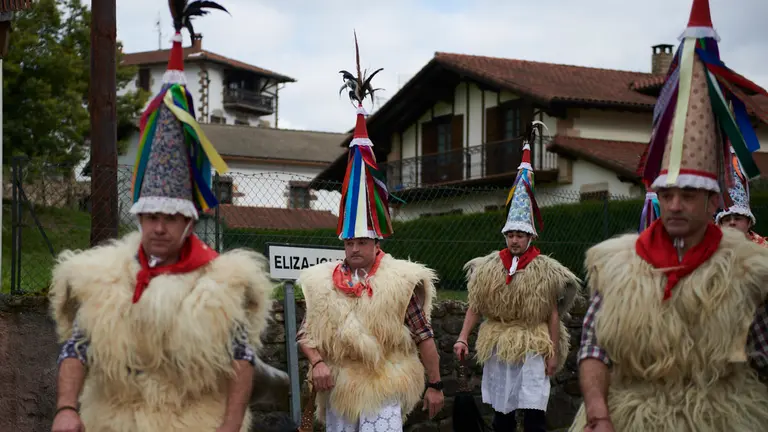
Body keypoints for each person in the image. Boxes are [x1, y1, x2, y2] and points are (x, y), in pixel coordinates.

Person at [48, 3, 286, 431]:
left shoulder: (219, 286)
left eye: (170, 217)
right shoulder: (103, 279)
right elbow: (75, 349)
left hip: (190, 420)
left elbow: (240, 361)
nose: (159, 226)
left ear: (189, 222)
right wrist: (67, 408)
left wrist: (230, 427)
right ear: (139, 217)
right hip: (115, 419)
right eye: (151, 215)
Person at [571, 1, 768, 430]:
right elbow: (594, 349)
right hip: (631, 417)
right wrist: (599, 414)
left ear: (714, 201)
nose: (675, 204)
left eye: (689, 195)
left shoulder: (748, 272)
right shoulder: (618, 267)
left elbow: (762, 354)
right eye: (669, 193)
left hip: (722, 417)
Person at [295, 34, 444, 432]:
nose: (354, 247)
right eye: (349, 241)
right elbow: (306, 334)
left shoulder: (400, 282)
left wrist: (435, 384)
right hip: (341, 385)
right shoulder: (324, 282)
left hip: (383, 385)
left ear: (377, 241)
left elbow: (424, 335)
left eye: (362, 241)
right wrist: (319, 361)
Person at [453, 124, 581, 432]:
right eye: (510, 234)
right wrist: (461, 336)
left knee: (534, 411)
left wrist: (552, 352)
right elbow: (475, 305)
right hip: (499, 346)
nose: (514, 240)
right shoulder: (489, 267)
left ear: (529, 236)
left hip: (533, 345)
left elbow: (551, 313)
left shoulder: (543, 269)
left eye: (520, 235)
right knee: (502, 412)